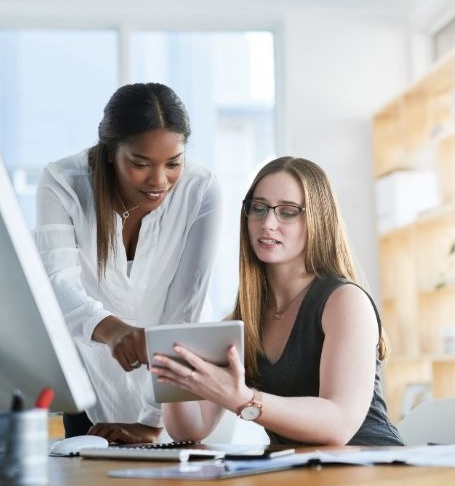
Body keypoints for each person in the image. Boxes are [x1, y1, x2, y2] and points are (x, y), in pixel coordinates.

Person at [152, 156, 403, 446]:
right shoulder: (242, 320)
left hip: (371, 467)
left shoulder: (344, 301)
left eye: (288, 212)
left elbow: (339, 424)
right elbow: (189, 431)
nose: (267, 223)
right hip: (301, 475)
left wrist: (246, 400)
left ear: (318, 220)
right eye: (258, 208)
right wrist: (172, 366)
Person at [35, 82, 222, 443]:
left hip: (176, 392)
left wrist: (153, 421)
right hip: (90, 385)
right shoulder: (62, 183)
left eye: (173, 163)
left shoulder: (202, 190)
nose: (158, 180)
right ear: (109, 152)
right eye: (140, 163)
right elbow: (57, 284)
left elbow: (186, 309)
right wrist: (110, 329)